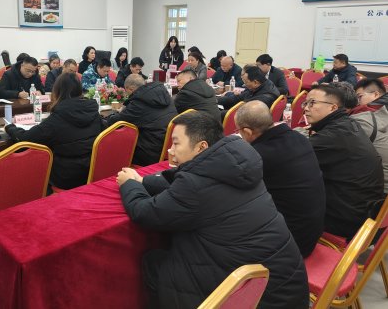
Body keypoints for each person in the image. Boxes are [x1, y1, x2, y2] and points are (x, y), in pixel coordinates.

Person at [116, 111, 309, 309]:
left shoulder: (195, 185)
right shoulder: (238, 163)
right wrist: (143, 181)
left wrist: (130, 184)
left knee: (155, 262)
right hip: (287, 288)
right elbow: (186, 184)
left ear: (201, 147)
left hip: (256, 298)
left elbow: (146, 213)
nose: (170, 150)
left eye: (176, 143)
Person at [235, 101, 325, 257]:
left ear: (247, 132)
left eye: (239, 131)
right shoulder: (298, 137)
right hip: (311, 231)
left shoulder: (259, 155)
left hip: (290, 246)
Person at [304, 84, 384, 239]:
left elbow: (291, 158)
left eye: (312, 103)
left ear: (333, 107)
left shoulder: (333, 135)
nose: (306, 108)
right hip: (364, 212)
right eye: (305, 103)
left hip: (345, 221)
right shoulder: (348, 123)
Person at [5, 73, 103, 190]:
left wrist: (10, 127)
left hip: (65, 178)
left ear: (57, 92)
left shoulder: (57, 118)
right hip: (91, 171)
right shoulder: (93, 111)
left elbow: (25, 140)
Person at [106, 74, 177, 166]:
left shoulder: (139, 102)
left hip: (150, 153)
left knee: (115, 142)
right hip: (167, 146)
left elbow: (115, 122)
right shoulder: (163, 94)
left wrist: (111, 116)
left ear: (130, 89)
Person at [351, 79, 388, 194]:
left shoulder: (365, 117)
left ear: (376, 94)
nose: (357, 102)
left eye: (359, 97)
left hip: (378, 190)